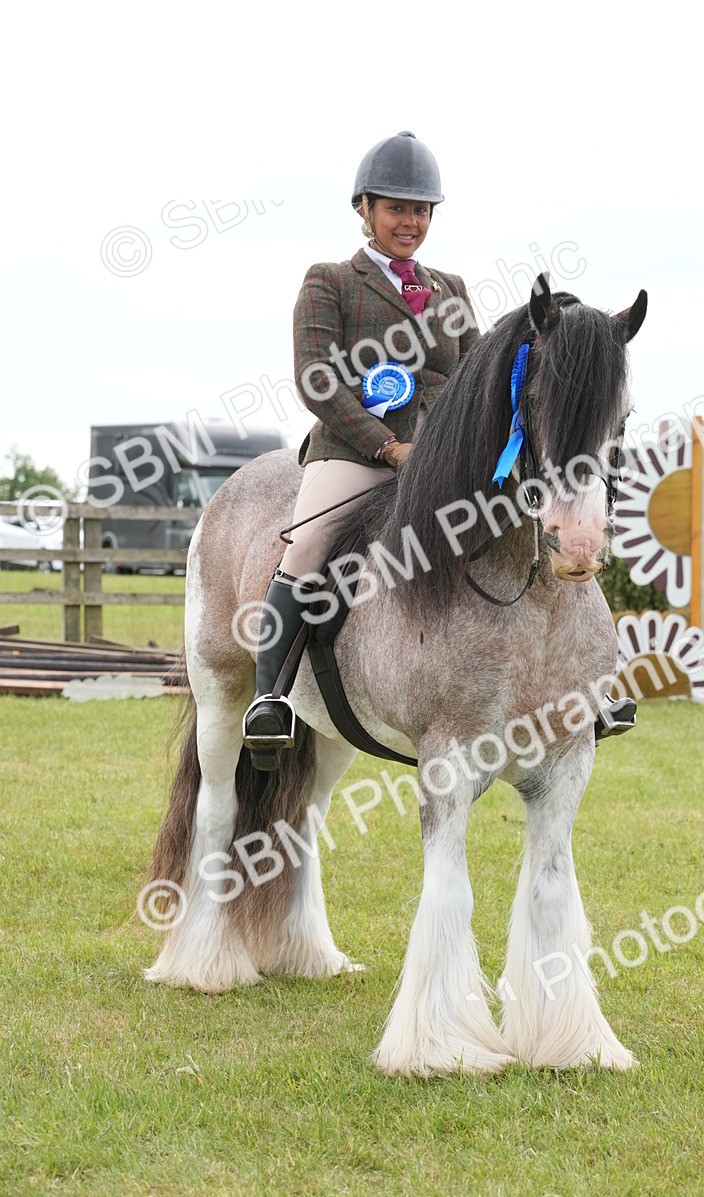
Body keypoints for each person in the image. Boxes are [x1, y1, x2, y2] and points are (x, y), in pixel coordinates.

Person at [243, 131, 480, 771]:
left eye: (421, 210)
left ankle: (585, 685)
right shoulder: (330, 281)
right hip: (354, 446)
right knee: (310, 544)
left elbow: (478, 376)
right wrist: (387, 447)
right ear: (365, 209)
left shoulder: (451, 288)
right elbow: (317, 377)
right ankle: (269, 699)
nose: (411, 222)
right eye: (397, 208)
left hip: (444, 449)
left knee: (523, 525)